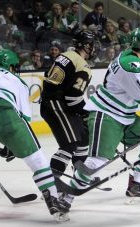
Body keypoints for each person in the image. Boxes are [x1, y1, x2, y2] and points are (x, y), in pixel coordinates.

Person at [70, 27, 140, 204]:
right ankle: (65, 197)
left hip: (125, 114)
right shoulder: (133, 66)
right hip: (107, 115)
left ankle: (136, 184)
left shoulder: (128, 55)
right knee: (97, 162)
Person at [0, 49, 69, 221]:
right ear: (10, 66)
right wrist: (12, 144)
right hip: (5, 113)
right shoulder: (15, 80)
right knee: (37, 159)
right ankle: (53, 200)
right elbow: (23, 117)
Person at [40, 29, 95, 209]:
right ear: (86, 45)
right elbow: (73, 97)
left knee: (83, 137)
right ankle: (51, 184)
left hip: (53, 102)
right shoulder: (83, 65)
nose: (93, 48)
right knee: (70, 144)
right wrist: (86, 112)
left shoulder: (65, 55)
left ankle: (81, 173)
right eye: (92, 44)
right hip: (56, 104)